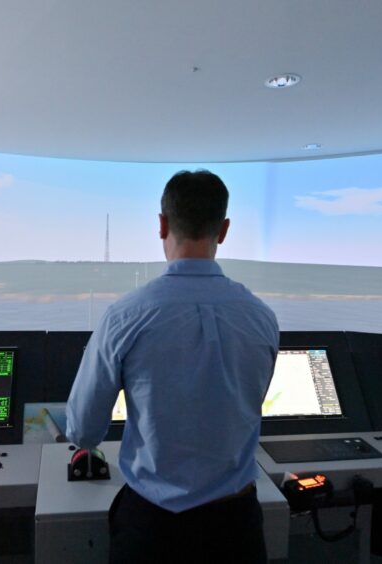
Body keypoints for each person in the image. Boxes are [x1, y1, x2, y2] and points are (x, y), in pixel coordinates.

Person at [65, 169, 279, 562]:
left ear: (162, 224)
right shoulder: (261, 317)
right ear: (224, 229)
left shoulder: (125, 316)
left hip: (154, 529)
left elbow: (83, 429)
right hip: (238, 529)